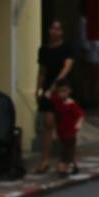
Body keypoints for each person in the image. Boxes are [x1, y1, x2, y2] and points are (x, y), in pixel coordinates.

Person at [36, 17, 84, 175]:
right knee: (48, 123)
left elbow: (67, 67)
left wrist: (56, 85)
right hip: (48, 89)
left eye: (58, 29)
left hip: (62, 88)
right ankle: (45, 159)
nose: (54, 32)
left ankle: (69, 160)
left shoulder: (67, 48)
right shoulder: (43, 49)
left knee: (66, 127)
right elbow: (42, 70)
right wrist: (39, 88)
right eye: (52, 28)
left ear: (62, 32)